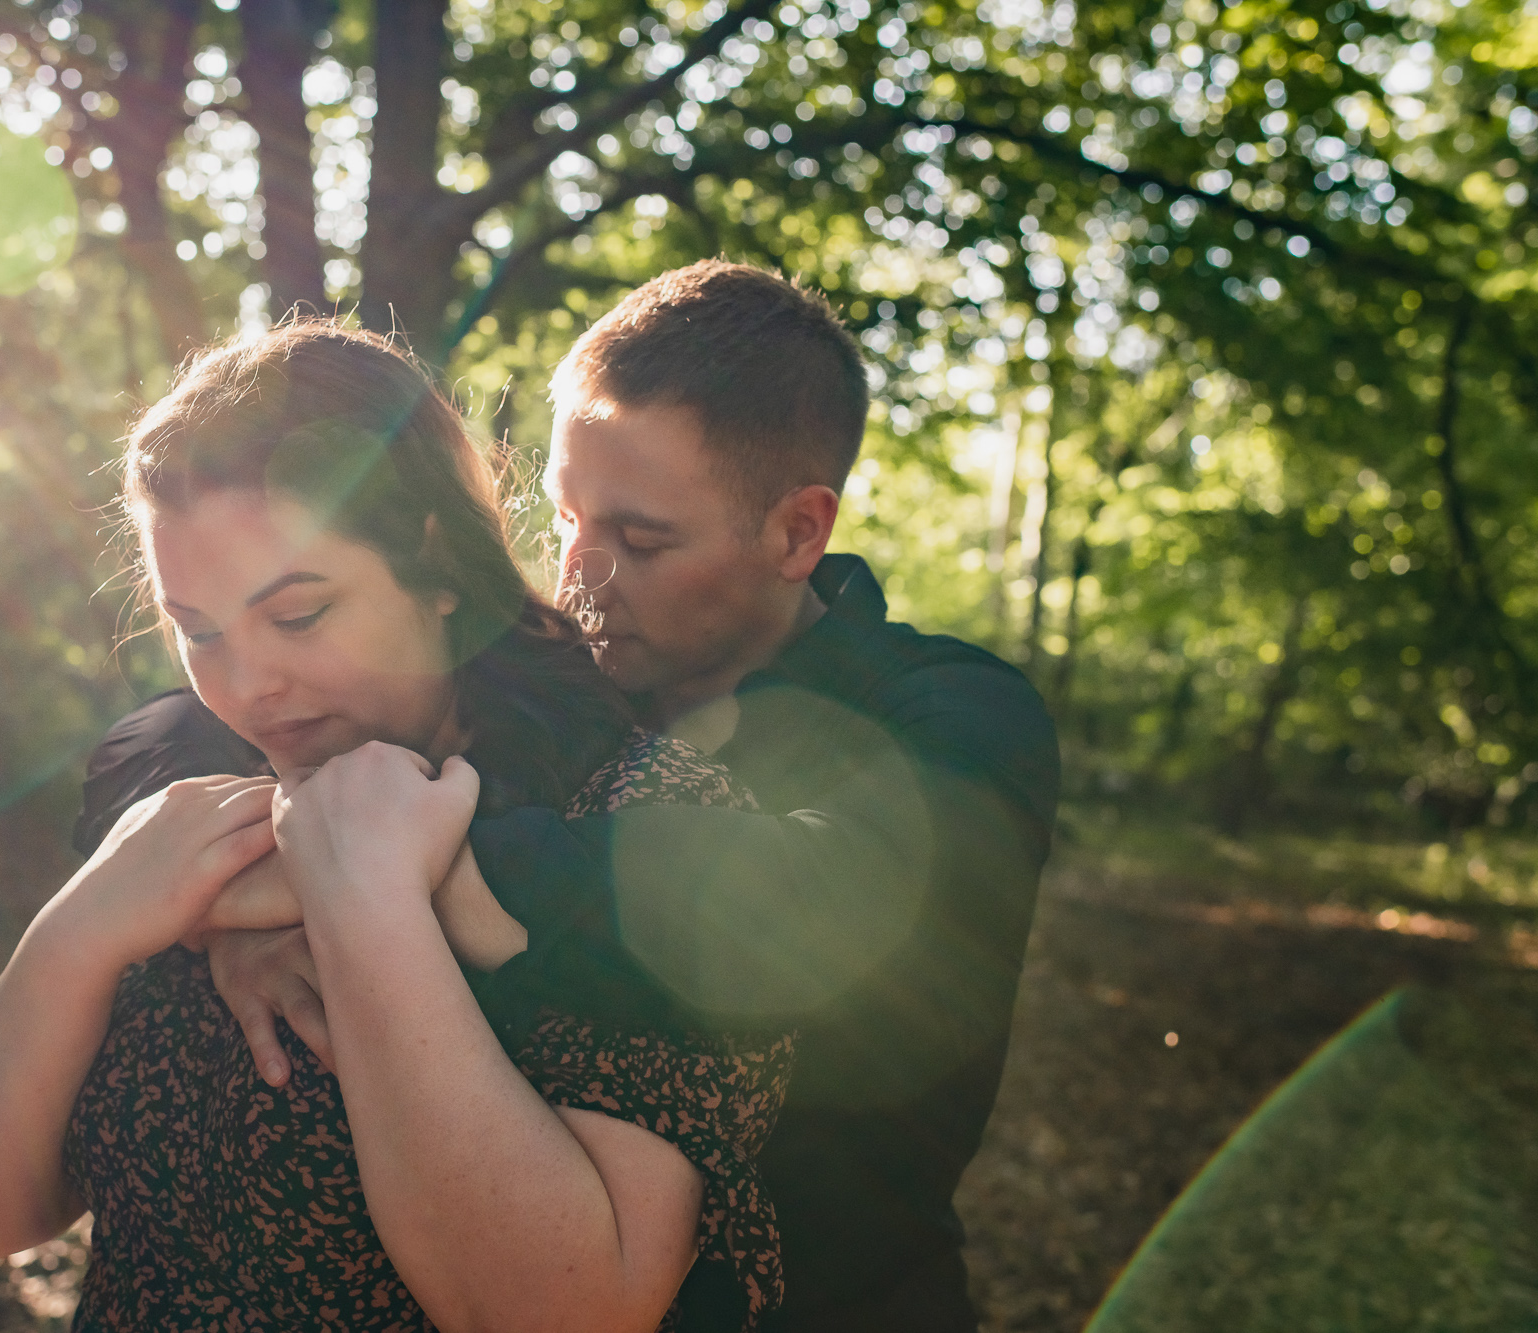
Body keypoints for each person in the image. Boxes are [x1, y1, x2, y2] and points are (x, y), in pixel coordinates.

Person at [79, 261, 1061, 1331]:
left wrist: (366, 873)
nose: (577, 570)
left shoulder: (953, 714)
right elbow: (183, 727)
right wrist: (234, 890)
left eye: (639, 539)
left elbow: (810, 902)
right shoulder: (560, 681)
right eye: (564, 513)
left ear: (795, 533)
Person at [0, 321, 794, 1332]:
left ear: (432, 561)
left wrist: (365, 901)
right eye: (197, 631)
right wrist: (84, 927)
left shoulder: (639, 828)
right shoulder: (189, 811)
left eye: (297, 615)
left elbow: (566, 1312)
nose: (246, 685)